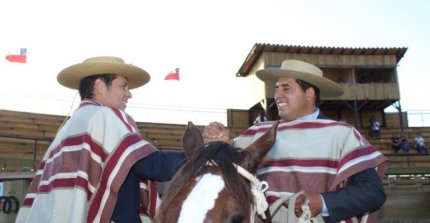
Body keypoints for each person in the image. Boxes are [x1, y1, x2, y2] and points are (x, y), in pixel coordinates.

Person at [203, 59, 388, 223]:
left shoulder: (343, 134)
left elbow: (372, 192)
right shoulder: (258, 132)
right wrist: (217, 145)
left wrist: (322, 202)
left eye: (286, 88)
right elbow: (222, 173)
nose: (277, 95)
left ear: (309, 94)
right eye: (276, 88)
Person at [16, 56, 186, 223]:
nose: (129, 94)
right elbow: (154, 166)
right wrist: (204, 153)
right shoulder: (103, 116)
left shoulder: (70, 126)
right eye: (123, 86)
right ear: (99, 86)